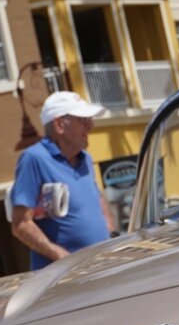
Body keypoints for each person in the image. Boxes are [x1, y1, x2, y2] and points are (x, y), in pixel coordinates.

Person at [10, 91, 116, 269]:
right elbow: (21, 224)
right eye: (83, 120)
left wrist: (111, 234)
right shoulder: (34, 159)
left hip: (102, 266)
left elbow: (97, 199)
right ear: (59, 125)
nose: (91, 126)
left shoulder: (86, 159)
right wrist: (65, 259)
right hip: (64, 277)